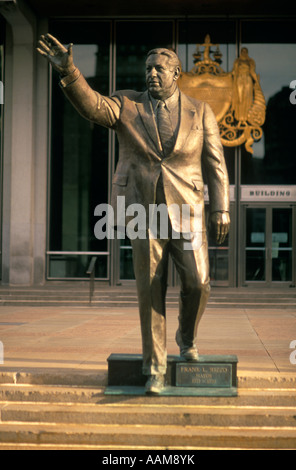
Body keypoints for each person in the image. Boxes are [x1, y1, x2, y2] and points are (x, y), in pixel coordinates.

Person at [37, 34, 230, 395]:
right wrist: (69, 71)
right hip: (142, 209)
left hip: (188, 212)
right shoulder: (127, 105)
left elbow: (216, 163)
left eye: (159, 69)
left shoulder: (201, 110)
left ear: (176, 74)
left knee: (199, 283)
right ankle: (154, 368)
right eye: (148, 68)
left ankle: (185, 337)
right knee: (150, 288)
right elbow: (93, 106)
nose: (152, 74)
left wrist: (221, 207)